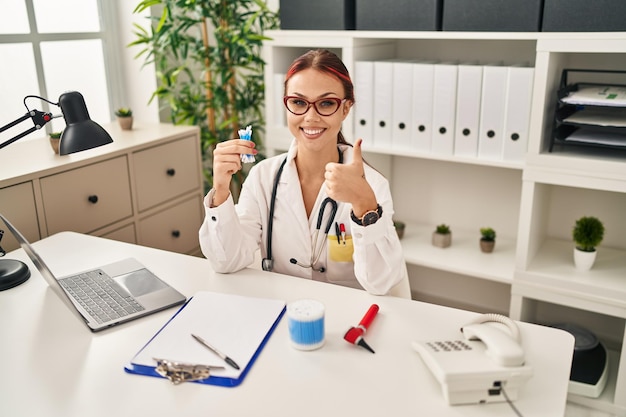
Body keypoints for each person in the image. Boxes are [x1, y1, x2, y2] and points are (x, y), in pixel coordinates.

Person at [199, 49, 408, 296]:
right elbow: (226, 262)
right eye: (298, 102)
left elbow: (381, 283)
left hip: (346, 319)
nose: (310, 117)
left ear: (346, 108)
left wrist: (364, 205)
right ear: (286, 105)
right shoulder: (263, 178)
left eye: (326, 103)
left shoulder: (373, 184)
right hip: (281, 315)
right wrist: (221, 190)